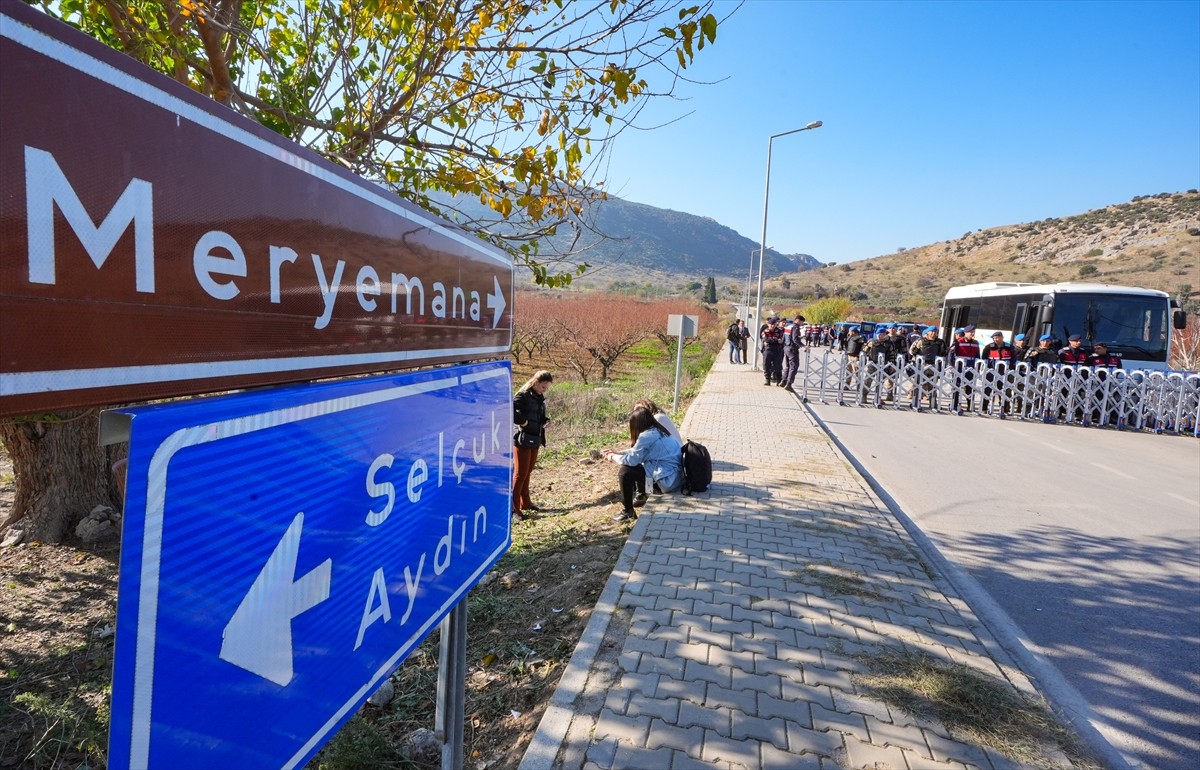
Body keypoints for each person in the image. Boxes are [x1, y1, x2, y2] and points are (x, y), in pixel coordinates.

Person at [602, 407, 683, 522]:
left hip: (667, 481)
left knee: (625, 471)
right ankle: (645, 494)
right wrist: (619, 452)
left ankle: (628, 511)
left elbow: (631, 460)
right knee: (642, 466)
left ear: (636, 424)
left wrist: (612, 456)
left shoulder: (646, 436)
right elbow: (638, 451)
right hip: (675, 476)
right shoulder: (659, 430)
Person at [512, 370, 553, 520]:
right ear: (536, 382)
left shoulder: (539, 397)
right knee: (519, 474)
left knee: (527, 473)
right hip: (522, 439)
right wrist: (524, 422)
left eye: (546, 388)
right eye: (543, 387)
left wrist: (546, 421)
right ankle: (514, 508)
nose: (544, 390)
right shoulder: (522, 395)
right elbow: (512, 410)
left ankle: (526, 502)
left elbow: (539, 416)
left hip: (535, 438)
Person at [980, 331, 1017, 417]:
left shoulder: (1009, 347)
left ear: (1002, 337)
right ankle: (984, 407)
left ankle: (1004, 408)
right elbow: (984, 358)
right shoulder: (989, 347)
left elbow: (1014, 359)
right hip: (991, 371)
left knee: (1004, 390)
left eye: (997, 337)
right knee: (987, 389)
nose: (996, 339)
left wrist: (1010, 368)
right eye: (994, 338)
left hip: (1004, 372)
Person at [908, 326, 946, 411]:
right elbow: (912, 350)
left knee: (933, 386)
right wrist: (918, 358)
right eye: (932, 331)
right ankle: (916, 402)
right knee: (919, 385)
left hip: (934, 366)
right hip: (922, 365)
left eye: (935, 332)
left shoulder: (940, 342)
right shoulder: (921, 341)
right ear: (928, 332)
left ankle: (933, 404)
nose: (933, 333)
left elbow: (943, 352)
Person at [946, 325, 980, 415]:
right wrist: (952, 366)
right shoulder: (958, 342)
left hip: (971, 368)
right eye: (971, 332)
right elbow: (950, 354)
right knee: (957, 387)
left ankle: (970, 405)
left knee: (970, 387)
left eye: (973, 332)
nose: (972, 334)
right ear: (966, 332)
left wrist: (978, 368)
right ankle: (954, 404)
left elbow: (978, 356)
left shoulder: (976, 343)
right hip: (960, 368)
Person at [780, 314, 806, 392]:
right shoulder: (795, 327)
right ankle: (789, 384)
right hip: (792, 349)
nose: (802, 324)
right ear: (798, 320)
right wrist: (803, 346)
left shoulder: (788, 326)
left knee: (788, 366)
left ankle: (783, 381)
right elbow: (795, 339)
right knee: (794, 366)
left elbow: (783, 338)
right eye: (802, 322)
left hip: (786, 348)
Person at [761, 316, 785, 385]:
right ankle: (767, 380)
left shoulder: (779, 331)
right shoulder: (765, 331)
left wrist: (771, 340)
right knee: (766, 365)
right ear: (768, 324)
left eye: (774, 324)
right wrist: (776, 340)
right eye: (771, 324)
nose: (773, 326)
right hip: (768, 350)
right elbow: (765, 340)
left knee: (778, 367)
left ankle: (778, 380)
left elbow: (781, 340)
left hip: (777, 351)